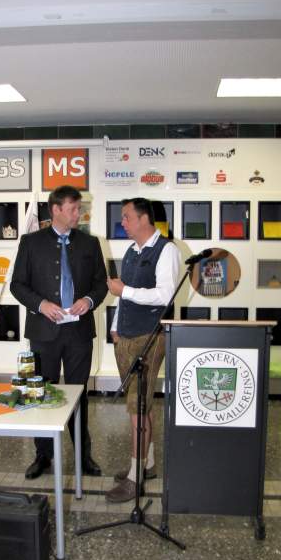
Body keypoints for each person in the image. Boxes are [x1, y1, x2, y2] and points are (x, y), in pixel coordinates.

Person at [10, 185, 107, 478]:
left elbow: (101, 284)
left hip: (79, 333)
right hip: (43, 332)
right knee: (39, 392)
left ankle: (83, 456)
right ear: (56, 210)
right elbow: (17, 285)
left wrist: (88, 300)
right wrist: (41, 304)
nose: (79, 213)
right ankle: (43, 455)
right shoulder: (31, 242)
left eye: (79, 208)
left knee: (79, 395)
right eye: (73, 208)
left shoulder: (90, 244)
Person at [106, 198, 181, 502]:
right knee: (140, 405)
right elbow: (123, 294)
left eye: (126, 217)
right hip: (125, 336)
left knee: (137, 409)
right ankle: (146, 465)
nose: (122, 223)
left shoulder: (167, 250)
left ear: (144, 219)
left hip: (149, 337)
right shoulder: (132, 250)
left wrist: (124, 290)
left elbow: (165, 295)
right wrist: (115, 324)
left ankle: (135, 479)